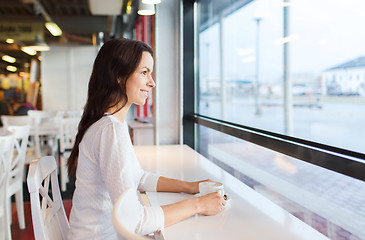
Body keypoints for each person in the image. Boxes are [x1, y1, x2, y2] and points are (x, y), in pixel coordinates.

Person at [67, 38, 225, 239]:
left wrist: (191, 187)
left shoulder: (112, 124)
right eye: (144, 72)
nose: (152, 82)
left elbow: (138, 177)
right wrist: (198, 205)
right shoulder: (110, 130)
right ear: (119, 76)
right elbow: (134, 220)